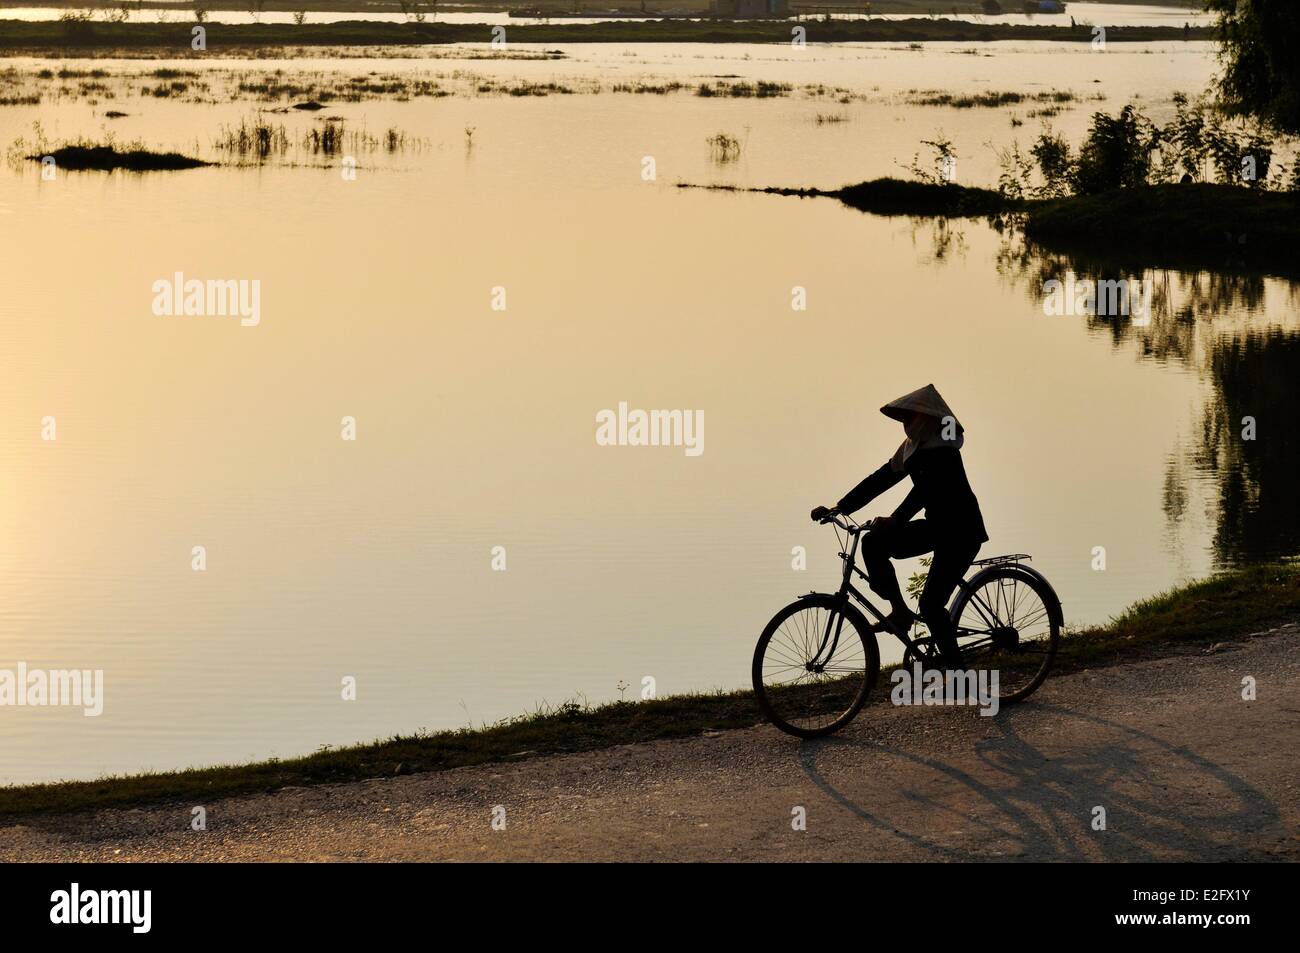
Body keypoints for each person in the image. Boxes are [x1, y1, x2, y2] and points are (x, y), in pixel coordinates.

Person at [811, 384, 987, 669]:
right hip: (936, 527)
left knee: (931, 606)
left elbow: (927, 491)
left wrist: (895, 519)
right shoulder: (912, 447)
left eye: (910, 418)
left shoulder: (944, 447)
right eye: (903, 419)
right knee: (872, 543)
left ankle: (957, 671)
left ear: (927, 418)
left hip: (961, 532)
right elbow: (880, 479)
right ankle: (900, 611)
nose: (905, 424)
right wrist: (841, 506)